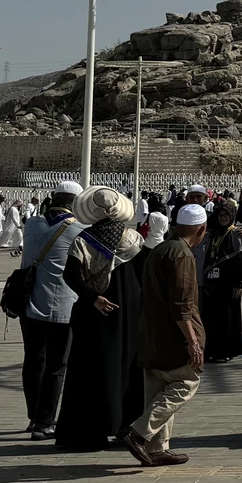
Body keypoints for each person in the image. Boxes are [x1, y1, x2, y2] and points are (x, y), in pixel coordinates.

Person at [55, 187, 147, 449]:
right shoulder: (133, 239)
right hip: (128, 311)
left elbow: (70, 276)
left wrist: (92, 298)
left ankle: (89, 431)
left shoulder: (84, 240)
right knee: (128, 367)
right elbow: (144, 277)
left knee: (90, 370)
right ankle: (127, 427)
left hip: (93, 311)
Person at [124, 203, 207, 467]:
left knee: (158, 388)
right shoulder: (182, 255)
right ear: (201, 229)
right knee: (186, 384)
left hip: (151, 333)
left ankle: (157, 447)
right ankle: (138, 432)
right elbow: (182, 305)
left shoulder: (160, 249)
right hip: (173, 337)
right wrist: (193, 342)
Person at [18, 182, 84, 436]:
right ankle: (45, 420)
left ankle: (34, 415)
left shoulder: (33, 224)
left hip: (29, 303)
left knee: (34, 361)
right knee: (57, 365)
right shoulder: (78, 229)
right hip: (62, 305)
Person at [199, 201, 242, 362]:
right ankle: (211, 350)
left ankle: (225, 351)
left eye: (226, 215)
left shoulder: (235, 234)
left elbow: (241, 260)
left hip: (228, 283)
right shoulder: (214, 233)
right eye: (221, 215)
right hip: (212, 283)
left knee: (227, 318)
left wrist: (238, 284)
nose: (223, 218)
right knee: (212, 317)